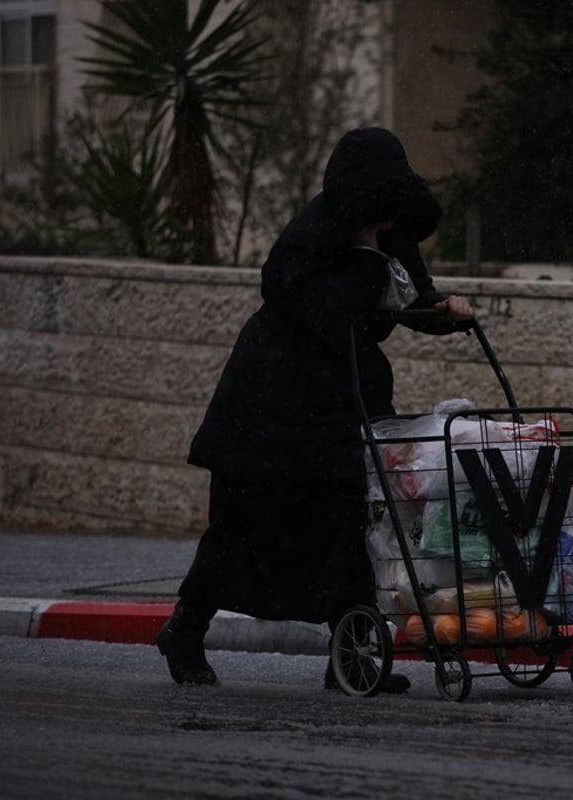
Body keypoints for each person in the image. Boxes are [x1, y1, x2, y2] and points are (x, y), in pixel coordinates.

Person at [157, 127, 474, 691]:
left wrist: (443, 312)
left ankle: (348, 657)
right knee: (241, 530)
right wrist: (366, 260)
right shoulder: (311, 240)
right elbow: (328, 314)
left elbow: (408, 299)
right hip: (269, 407)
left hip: (339, 404)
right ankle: (184, 631)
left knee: (353, 527)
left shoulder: (387, 233)